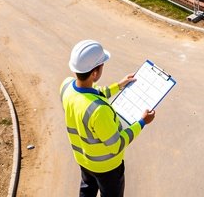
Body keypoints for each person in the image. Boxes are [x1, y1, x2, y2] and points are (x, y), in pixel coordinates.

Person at [61, 39, 155, 197]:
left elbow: (93, 92)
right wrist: (142, 122)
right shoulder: (99, 111)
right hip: (107, 168)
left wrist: (119, 85)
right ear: (95, 73)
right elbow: (116, 145)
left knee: (87, 189)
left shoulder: (66, 87)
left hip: (84, 160)